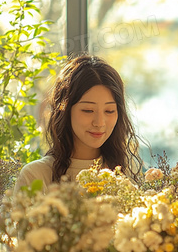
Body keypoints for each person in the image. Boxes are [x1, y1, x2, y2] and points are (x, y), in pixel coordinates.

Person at [15, 54, 143, 192]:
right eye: (88, 110)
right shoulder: (36, 176)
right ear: (65, 110)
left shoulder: (128, 171)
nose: (99, 123)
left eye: (109, 111)